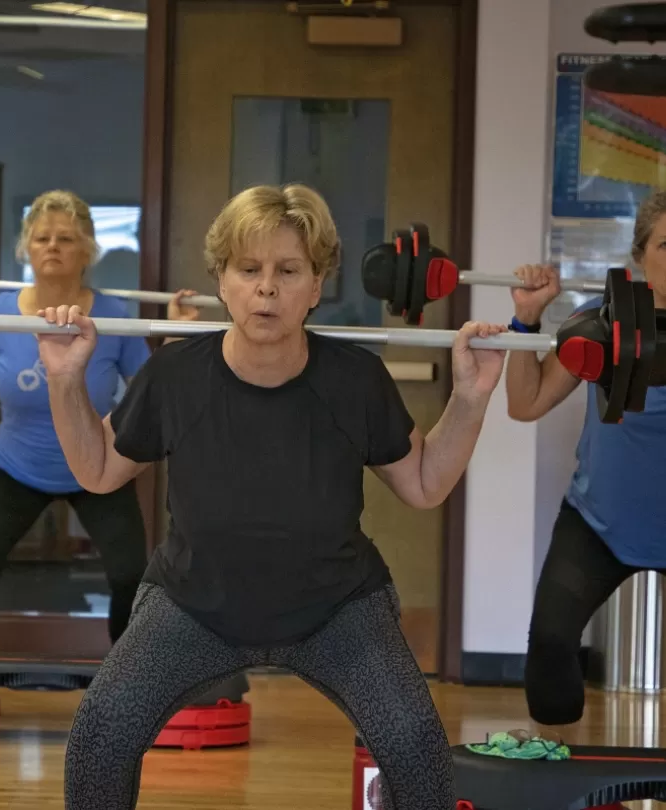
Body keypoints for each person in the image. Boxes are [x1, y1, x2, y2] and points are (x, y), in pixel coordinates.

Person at [37, 183, 509, 810]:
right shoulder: (175, 375)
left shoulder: (355, 379)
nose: (267, 288)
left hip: (336, 608)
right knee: (99, 737)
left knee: (418, 747)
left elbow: (424, 484)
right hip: (194, 605)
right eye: (249, 269)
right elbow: (97, 471)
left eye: (288, 271)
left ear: (316, 287)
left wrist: (471, 398)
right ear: (222, 282)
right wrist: (64, 381)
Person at [0, 189, 200, 651]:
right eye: (41, 237)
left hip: (95, 466)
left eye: (65, 238)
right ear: (27, 249)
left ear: (87, 252)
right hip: (18, 468)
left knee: (131, 578)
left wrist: (175, 334)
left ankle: (126, 682)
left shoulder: (114, 317)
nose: (52, 246)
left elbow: (153, 388)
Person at [505, 189, 666, 736]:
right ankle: (561, 774)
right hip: (598, 524)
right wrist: (525, 323)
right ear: (640, 255)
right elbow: (525, 405)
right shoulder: (600, 321)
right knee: (549, 653)